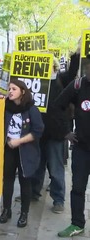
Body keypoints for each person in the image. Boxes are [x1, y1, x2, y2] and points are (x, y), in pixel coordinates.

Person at [0, 79, 44, 228]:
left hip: (26, 151)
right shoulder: (5, 106)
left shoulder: (31, 109)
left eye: (14, 89)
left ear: (22, 92)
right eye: (9, 89)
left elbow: (38, 131)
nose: (10, 91)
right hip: (8, 150)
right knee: (8, 180)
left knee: (25, 182)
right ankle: (6, 210)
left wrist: (19, 141)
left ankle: (24, 213)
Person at [56, 57, 90, 238]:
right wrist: (66, 132)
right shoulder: (77, 86)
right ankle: (77, 223)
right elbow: (58, 106)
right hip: (82, 149)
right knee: (78, 188)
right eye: (87, 67)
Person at [31, 58, 68, 214]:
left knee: (55, 169)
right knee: (36, 166)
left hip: (56, 134)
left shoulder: (61, 81)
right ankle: (33, 193)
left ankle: (58, 199)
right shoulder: (35, 83)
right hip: (39, 134)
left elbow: (72, 72)